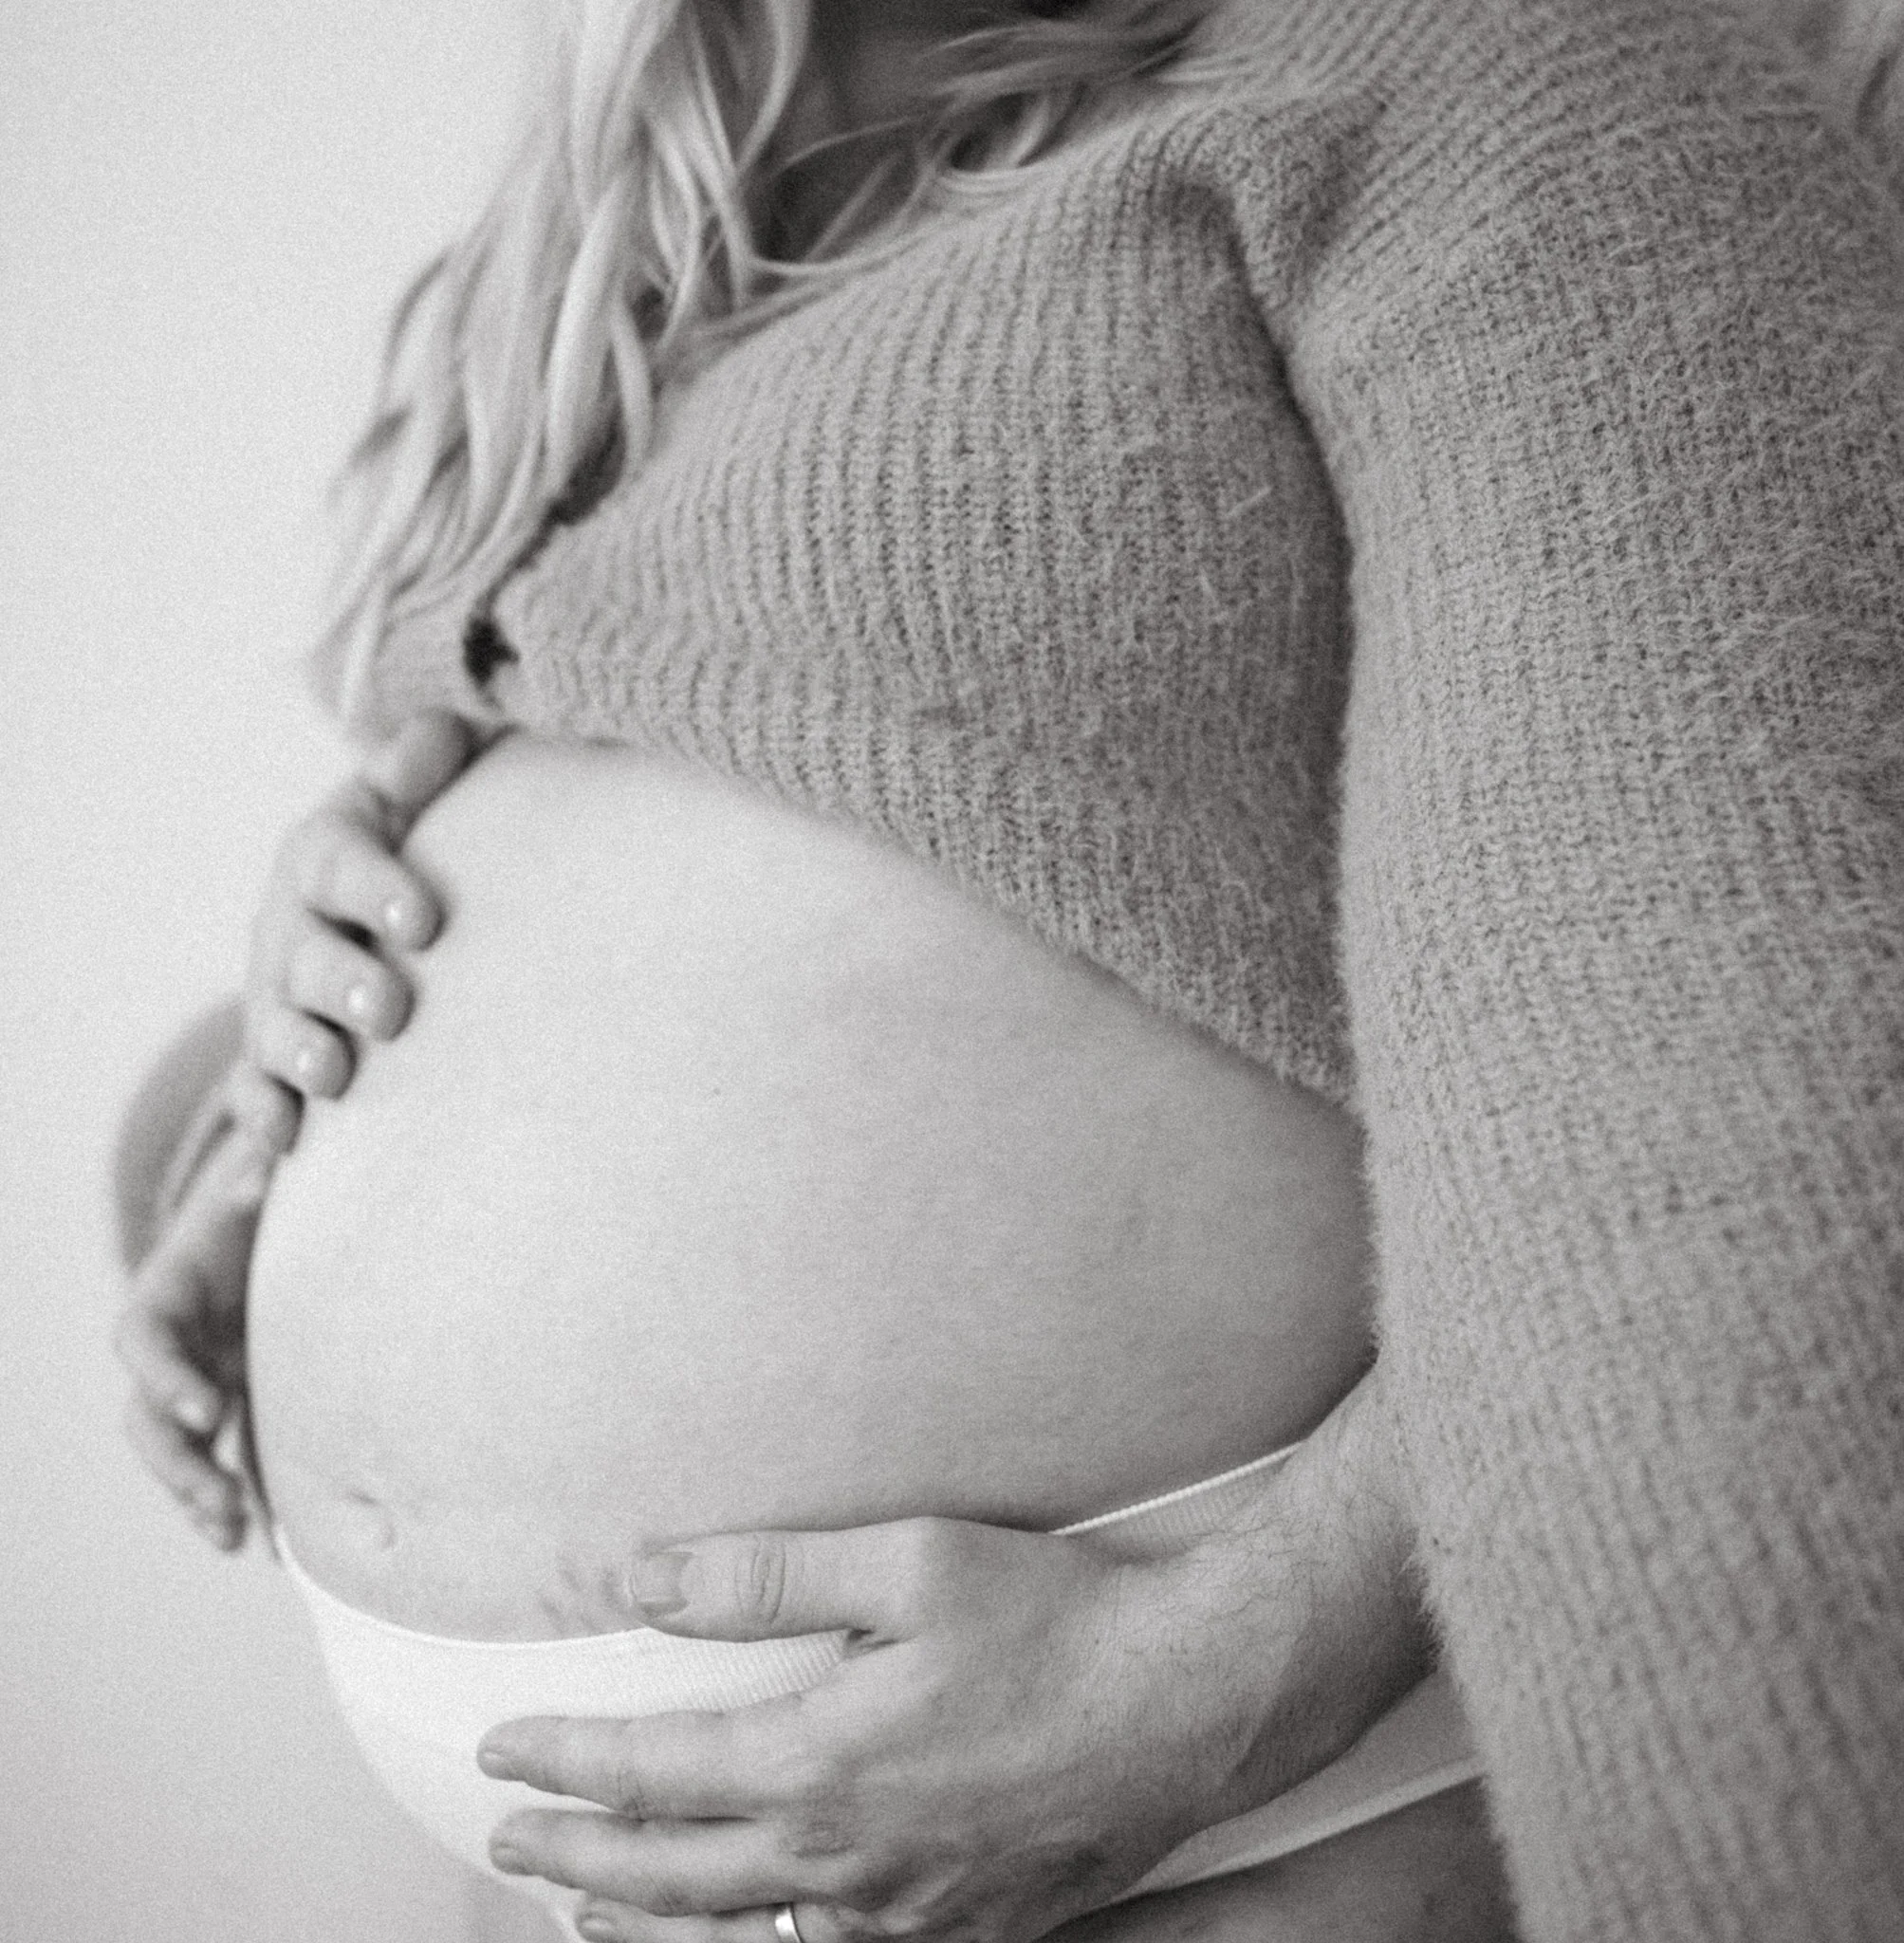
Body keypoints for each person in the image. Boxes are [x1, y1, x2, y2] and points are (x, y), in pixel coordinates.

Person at [115, 0, 1904, 1939]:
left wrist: (1234, 1671)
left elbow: (1704, 1072)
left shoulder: (1483, 70)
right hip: (581, 1863)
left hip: (1239, 1809)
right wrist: (258, 1107)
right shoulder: (656, 262)